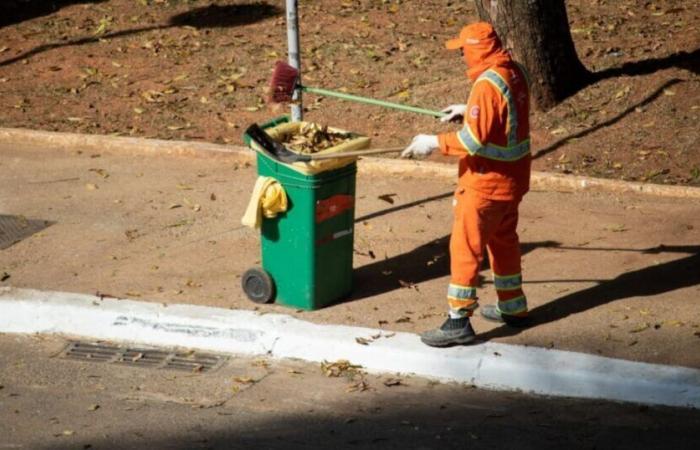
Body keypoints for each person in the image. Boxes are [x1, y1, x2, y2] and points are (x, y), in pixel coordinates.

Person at [401, 22, 531, 347]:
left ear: (476, 49)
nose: (461, 54)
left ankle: (458, 321)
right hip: (513, 182)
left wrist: (433, 142)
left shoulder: (486, 85)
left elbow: (472, 141)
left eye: (463, 49)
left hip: (485, 185)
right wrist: (467, 111)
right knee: (503, 242)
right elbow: (502, 118)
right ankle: (513, 306)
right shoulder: (514, 72)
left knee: (465, 248)